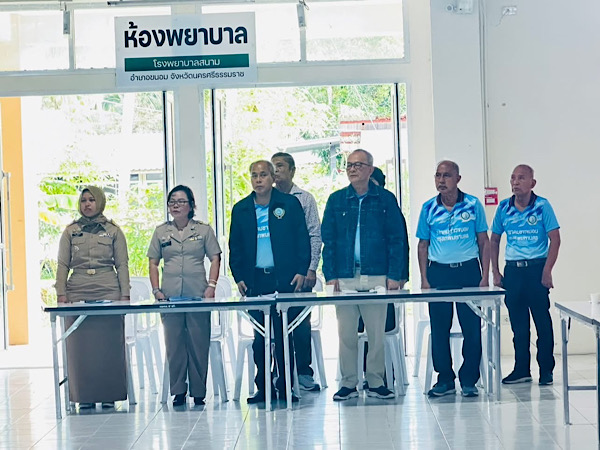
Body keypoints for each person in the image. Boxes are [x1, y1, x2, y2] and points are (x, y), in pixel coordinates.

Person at [321, 149, 409, 401]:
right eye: (349, 165)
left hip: (377, 274)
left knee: (376, 333)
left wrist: (395, 274)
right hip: (345, 275)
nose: (352, 169)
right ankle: (349, 382)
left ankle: (376, 381)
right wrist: (330, 275)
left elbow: (397, 239)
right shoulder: (336, 200)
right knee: (346, 333)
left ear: (370, 169)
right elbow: (329, 240)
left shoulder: (385, 199)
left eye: (358, 165)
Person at [229, 160, 311, 404]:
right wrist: (239, 277)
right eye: (254, 175)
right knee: (260, 338)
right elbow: (235, 247)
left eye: (263, 174)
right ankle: (263, 387)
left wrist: (302, 270)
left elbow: (302, 239)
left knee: (284, 336)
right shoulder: (242, 209)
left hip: (285, 278)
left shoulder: (289, 204)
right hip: (255, 280)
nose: (258, 179)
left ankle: (286, 386)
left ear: (273, 177)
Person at [416, 160, 490, 398]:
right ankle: (445, 379)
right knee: (439, 328)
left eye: (447, 175)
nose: (441, 180)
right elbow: (423, 245)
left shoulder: (473, 204)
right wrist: (424, 278)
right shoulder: (428, 208)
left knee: (471, 328)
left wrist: (485, 276)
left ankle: (469, 379)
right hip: (438, 272)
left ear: (458, 179)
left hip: (468, 271)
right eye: (438, 175)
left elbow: (483, 241)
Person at [55, 186, 130, 409]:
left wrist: (125, 294)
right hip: (78, 288)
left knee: (109, 344)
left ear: (100, 202)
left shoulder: (114, 231)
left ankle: (109, 395)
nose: (87, 204)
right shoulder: (70, 231)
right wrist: (61, 293)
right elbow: (62, 264)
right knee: (79, 347)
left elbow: (122, 264)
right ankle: (84, 396)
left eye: (91, 200)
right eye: (83, 200)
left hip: (107, 288)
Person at [148, 185, 221, 407]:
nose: (176, 205)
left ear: (191, 206)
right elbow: (153, 262)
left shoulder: (203, 230)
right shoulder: (161, 231)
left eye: (181, 201)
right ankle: (178, 391)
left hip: (198, 293)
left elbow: (215, 257)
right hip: (169, 295)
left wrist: (211, 285)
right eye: (172, 201)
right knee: (174, 344)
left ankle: (198, 392)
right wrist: (156, 290)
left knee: (198, 342)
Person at [491, 165, 560, 386]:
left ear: (532, 183)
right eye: (513, 178)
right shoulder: (504, 207)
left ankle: (546, 370)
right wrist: (495, 271)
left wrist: (547, 271)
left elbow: (555, 239)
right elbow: (494, 240)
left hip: (536, 269)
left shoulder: (542, 206)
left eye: (521, 178)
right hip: (513, 271)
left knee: (542, 322)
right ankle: (521, 369)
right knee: (518, 325)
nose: (515, 182)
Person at [271, 151, 322, 392]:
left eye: (280, 166)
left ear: (292, 171)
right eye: (273, 166)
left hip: (300, 272)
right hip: (273, 275)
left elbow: (314, 234)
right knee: (273, 327)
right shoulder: (265, 199)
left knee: (300, 326)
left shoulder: (304, 199)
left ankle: (303, 373)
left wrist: (311, 268)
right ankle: (278, 375)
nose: (276, 170)